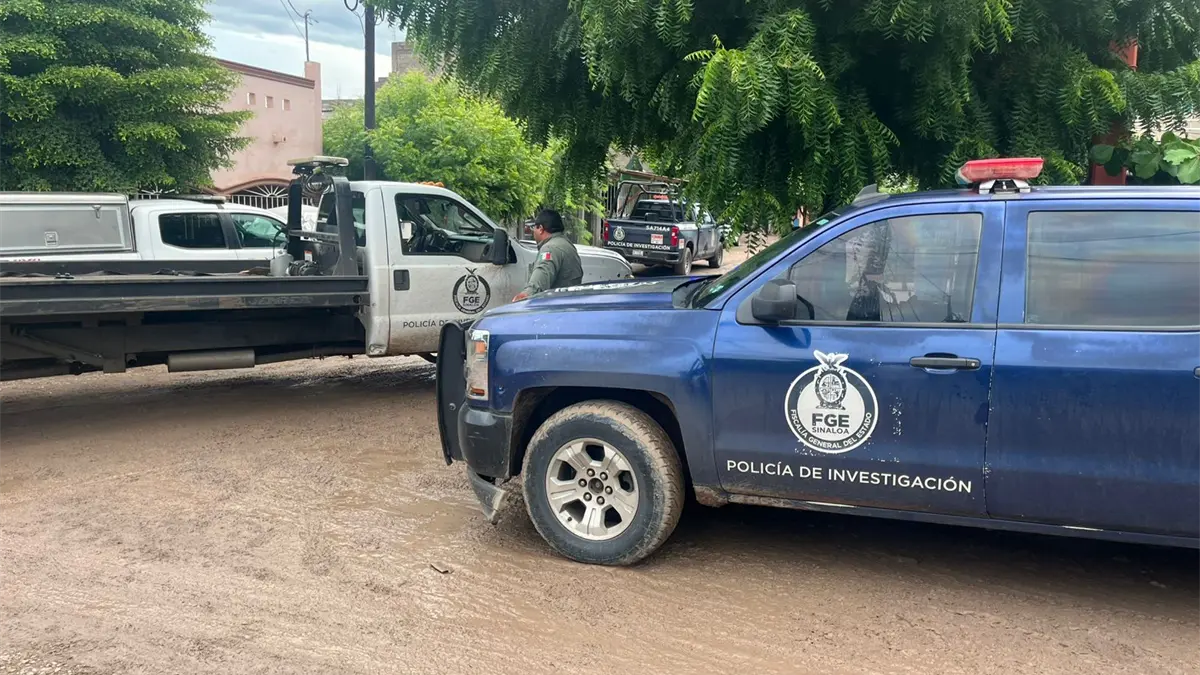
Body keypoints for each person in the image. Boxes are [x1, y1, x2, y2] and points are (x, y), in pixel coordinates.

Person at [513, 209, 583, 301]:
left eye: (534, 227)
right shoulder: (567, 245)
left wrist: (524, 296)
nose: (533, 232)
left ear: (540, 229)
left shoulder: (550, 249)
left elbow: (541, 277)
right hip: (568, 302)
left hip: (555, 305)